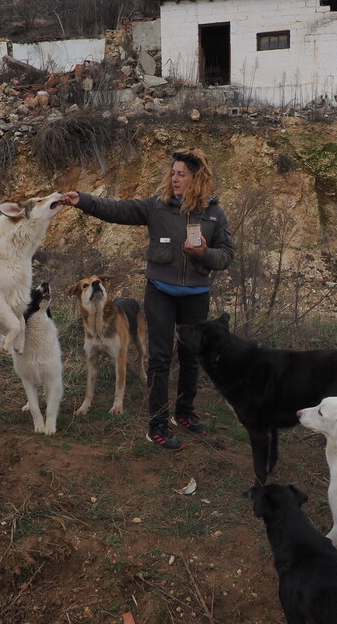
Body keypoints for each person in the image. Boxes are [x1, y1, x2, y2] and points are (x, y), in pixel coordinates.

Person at [59, 147, 234, 451]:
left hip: (196, 295)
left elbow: (227, 255)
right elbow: (117, 209)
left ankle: (185, 412)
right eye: (173, 172)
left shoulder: (213, 213)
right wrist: (83, 200)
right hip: (161, 292)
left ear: (196, 178)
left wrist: (204, 253)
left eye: (182, 174)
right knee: (161, 357)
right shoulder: (157, 206)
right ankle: (158, 425)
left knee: (192, 356)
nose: (175, 178)